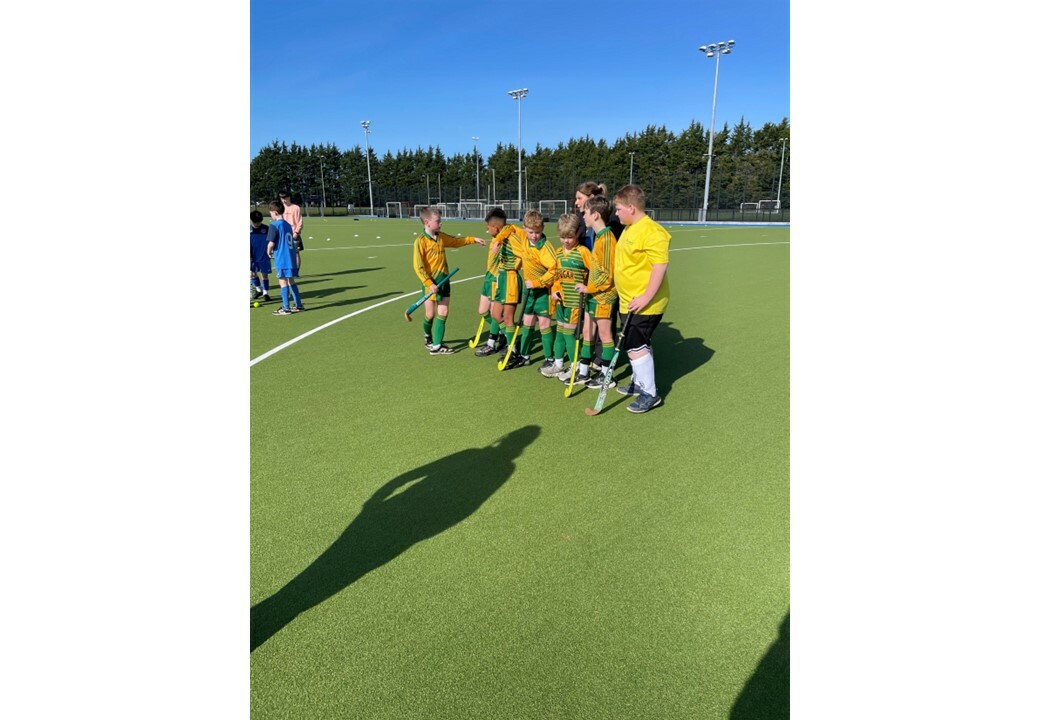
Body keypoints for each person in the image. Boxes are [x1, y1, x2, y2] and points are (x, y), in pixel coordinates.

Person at [611, 184, 670, 413]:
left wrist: (646, 297)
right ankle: (639, 382)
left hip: (646, 304)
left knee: (635, 345)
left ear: (631, 208)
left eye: (618, 209)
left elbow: (659, 266)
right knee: (638, 343)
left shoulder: (652, 231)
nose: (616, 213)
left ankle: (650, 394)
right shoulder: (629, 228)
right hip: (629, 301)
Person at [412, 206, 486, 355]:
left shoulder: (441, 237)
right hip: (430, 284)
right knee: (430, 315)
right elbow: (418, 267)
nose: (441, 223)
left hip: (444, 281)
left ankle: (436, 346)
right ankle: (428, 336)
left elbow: (456, 241)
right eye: (438, 221)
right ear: (427, 222)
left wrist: (473, 239)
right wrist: (429, 284)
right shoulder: (420, 242)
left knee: (443, 312)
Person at [544, 213, 609, 381]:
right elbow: (555, 276)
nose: (566, 241)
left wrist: (588, 287)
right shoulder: (558, 253)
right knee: (559, 332)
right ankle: (558, 364)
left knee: (568, 334)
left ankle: (576, 365)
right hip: (561, 302)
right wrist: (554, 291)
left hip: (575, 302)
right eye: (562, 237)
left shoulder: (583, 252)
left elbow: (595, 271)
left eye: (570, 237)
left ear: (578, 233)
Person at [575, 194, 619, 389]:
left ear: (595, 215)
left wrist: (589, 287)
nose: (583, 216)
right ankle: (583, 370)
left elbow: (607, 275)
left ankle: (607, 375)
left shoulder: (608, 239)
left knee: (605, 334)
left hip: (604, 296)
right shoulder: (599, 237)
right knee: (587, 331)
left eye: (585, 213)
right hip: (593, 294)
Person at [504, 210, 558, 371]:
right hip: (529, 292)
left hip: (543, 292)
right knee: (527, 324)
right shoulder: (524, 240)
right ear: (525, 229)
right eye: (531, 232)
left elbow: (555, 270)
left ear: (542, 230)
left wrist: (537, 282)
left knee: (544, 324)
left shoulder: (545, 248)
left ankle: (549, 358)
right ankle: (524, 356)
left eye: (537, 232)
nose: (534, 236)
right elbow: (509, 228)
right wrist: (497, 241)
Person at [475, 208, 526, 359]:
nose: (487, 231)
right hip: (500, 278)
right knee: (495, 314)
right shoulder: (500, 237)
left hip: (509, 279)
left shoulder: (511, 238)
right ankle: (507, 339)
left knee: (507, 318)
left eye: (488, 228)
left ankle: (511, 349)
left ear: (495, 227)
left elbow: (525, 253)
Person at [266, 199, 304, 315]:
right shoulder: (287, 225)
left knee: (282, 281)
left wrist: (268, 251)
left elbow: (271, 243)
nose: (271, 215)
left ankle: (286, 307)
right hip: (291, 257)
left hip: (282, 258)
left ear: (275, 212)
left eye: (271, 213)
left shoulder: (274, 225)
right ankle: (298, 305)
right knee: (291, 281)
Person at [250, 210, 272, 303]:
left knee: (264, 274)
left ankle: (265, 293)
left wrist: (270, 251)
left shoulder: (266, 229)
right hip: (252, 256)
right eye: (256, 222)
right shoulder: (248, 230)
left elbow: (271, 241)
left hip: (264, 256)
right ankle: (259, 290)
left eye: (259, 222)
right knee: (253, 274)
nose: (257, 224)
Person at [279, 191, 304, 268]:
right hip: (283, 234)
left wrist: (296, 232)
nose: (283, 200)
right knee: (284, 253)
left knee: (296, 253)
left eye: (285, 198)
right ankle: (287, 271)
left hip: (294, 233)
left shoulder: (296, 208)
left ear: (289, 197)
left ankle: (296, 271)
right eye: (281, 198)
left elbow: (299, 221)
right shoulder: (280, 208)